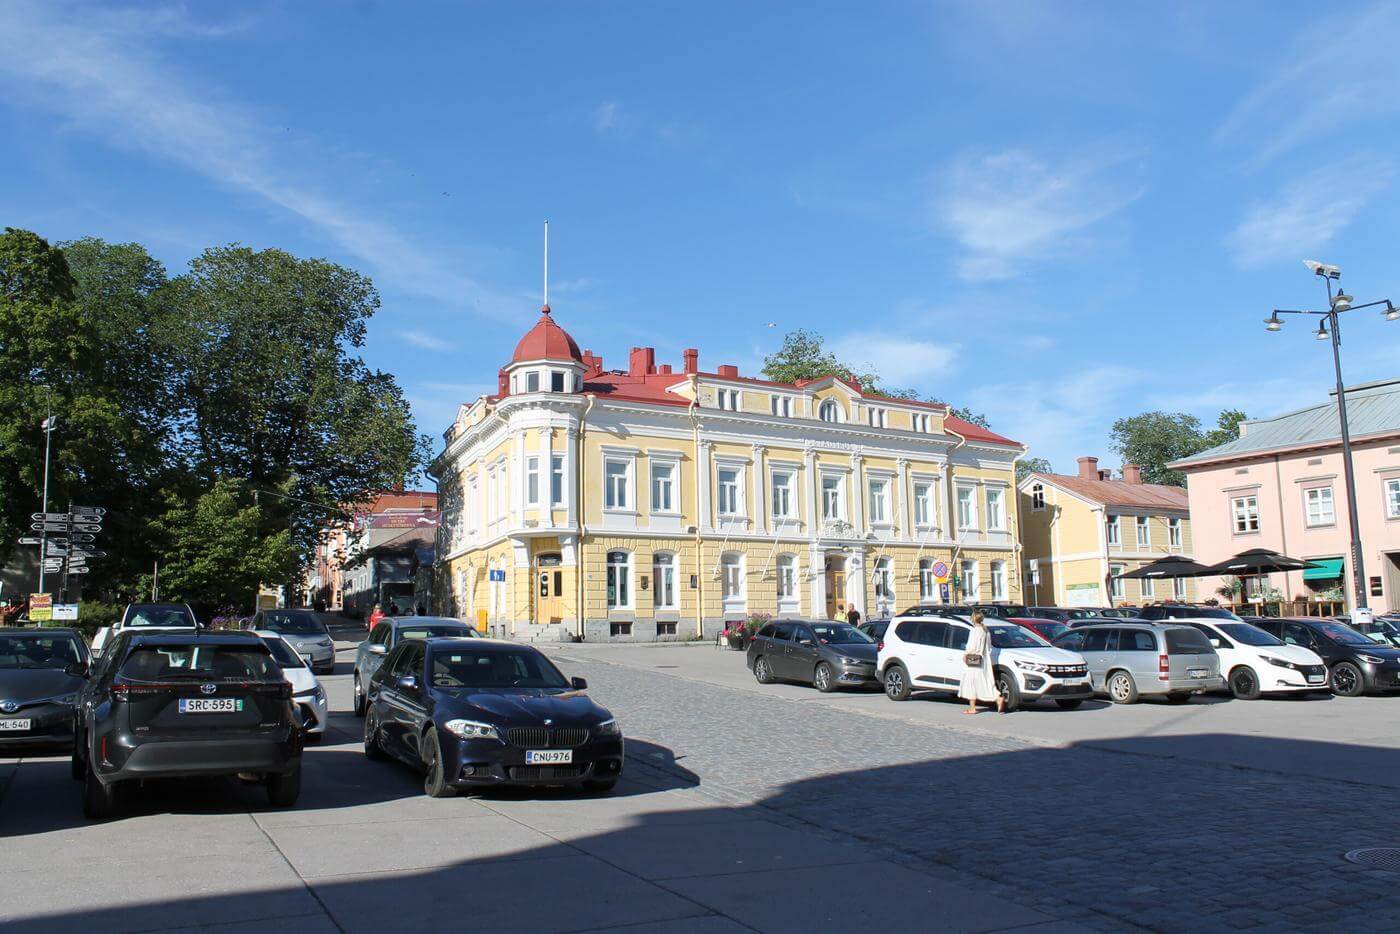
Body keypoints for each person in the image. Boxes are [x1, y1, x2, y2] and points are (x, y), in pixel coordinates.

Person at [959, 611, 1004, 715]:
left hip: (973, 659)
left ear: (973, 619)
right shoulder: (986, 631)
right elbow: (988, 647)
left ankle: (972, 708)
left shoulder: (974, 631)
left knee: (971, 682)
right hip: (983, 659)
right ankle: (997, 697)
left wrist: (966, 654)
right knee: (984, 681)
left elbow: (971, 646)